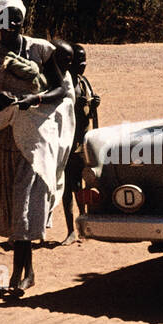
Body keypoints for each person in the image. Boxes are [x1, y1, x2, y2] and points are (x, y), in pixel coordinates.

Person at [0, 0, 68, 294]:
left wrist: (35, 99)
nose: (13, 22)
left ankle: (20, 273)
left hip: (35, 137)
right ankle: (26, 270)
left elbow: (61, 90)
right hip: (3, 137)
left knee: (23, 200)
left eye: (18, 17)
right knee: (11, 204)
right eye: (6, 17)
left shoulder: (40, 49)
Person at [60, 43, 100, 245]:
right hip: (69, 142)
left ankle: (82, 224)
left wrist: (93, 103)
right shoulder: (66, 83)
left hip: (84, 141)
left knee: (84, 184)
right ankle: (70, 230)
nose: (83, 65)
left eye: (85, 61)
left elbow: (89, 110)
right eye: (79, 61)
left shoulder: (83, 81)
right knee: (69, 186)